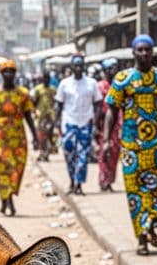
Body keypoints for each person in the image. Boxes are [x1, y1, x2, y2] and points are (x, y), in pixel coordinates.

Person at [106, 35, 157, 255]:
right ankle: (141, 238)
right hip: (132, 148)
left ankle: (151, 227)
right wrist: (106, 141)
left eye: (147, 49)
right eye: (140, 49)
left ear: (152, 52)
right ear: (133, 52)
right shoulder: (123, 79)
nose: (144, 53)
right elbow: (111, 111)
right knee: (136, 194)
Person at [0, 59, 38, 216]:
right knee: (4, 167)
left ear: (15, 74)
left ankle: (4, 199)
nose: (9, 74)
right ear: (1, 74)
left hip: (18, 135)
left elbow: (28, 116)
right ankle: (9, 200)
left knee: (18, 167)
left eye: (12, 71)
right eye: (5, 71)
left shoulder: (23, 94)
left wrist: (35, 136)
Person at [54, 53, 102, 195]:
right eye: (76, 65)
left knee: (83, 156)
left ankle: (79, 185)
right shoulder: (64, 84)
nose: (78, 68)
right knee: (69, 154)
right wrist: (56, 124)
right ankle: (71, 181)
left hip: (85, 124)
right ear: (72, 67)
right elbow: (59, 105)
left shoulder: (91, 83)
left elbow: (98, 103)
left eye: (81, 65)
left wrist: (95, 120)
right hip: (69, 124)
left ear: (84, 66)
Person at [97, 57, 120, 191]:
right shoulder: (101, 86)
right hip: (104, 124)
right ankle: (104, 181)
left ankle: (110, 180)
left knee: (114, 153)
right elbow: (98, 107)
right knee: (105, 153)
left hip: (117, 125)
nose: (114, 71)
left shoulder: (118, 85)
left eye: (115, 68)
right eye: (111, 68)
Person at [31, 69, 58, 161]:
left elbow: (56, 102)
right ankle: (42, 153)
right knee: (41, 135)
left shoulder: (53, 89)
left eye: (48, 78)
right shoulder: (38, 89)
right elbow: (34, 101)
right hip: (40, 115)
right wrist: (34, 111)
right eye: (45, 78)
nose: (46, 80)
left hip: (50, 116)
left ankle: (47, 152)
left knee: (50, 134)